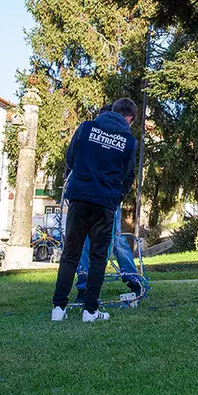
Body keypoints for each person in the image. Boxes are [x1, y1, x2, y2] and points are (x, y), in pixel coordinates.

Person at [52, 98, 138, 323]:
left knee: (70, 253)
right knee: (98, 256)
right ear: (128, 118)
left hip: (80, 197)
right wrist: (116, 197)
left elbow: (71, 157)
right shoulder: (129, 141)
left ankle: (58, 309)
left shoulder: (86, 128)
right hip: (105, 202)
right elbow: (128, 175)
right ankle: (90, 311)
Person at [74, 105, 142, 305]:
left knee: (112, 240)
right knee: (101, 240)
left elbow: (128, 172)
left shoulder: (118, 137)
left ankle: (129, 279)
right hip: (95, 194)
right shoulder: (104, 133)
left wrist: (118, 194)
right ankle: (86, 284)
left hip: (105, 196)